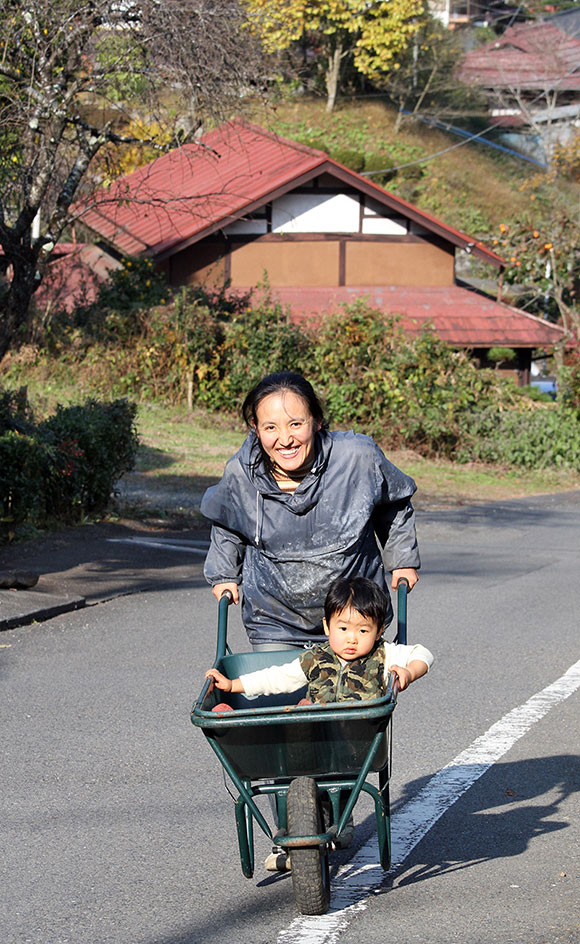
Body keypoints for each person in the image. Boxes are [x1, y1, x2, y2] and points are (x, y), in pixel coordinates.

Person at [201, 372, 420, 651]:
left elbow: (394, 504)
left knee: (351, 694)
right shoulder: (241, 475)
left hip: (354, 618)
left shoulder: (357, 459)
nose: (285, 439)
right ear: (255, 428)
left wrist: (402, 560)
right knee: (279, 691)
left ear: (316, 421)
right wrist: (223, 576)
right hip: (275, 620)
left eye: (295, 424)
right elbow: (228, 525)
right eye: (271, 428)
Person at [205, 576, 434, 703]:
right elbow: (279, 677)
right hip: (318, 737)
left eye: (363, 631)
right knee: (300, 712)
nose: (352, 639)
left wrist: (409, 672)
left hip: (360, 736)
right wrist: (233, 685)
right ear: (327, 626)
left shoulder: (383, 654)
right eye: (343, 628)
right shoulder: (316, 658)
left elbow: (422, 654)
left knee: (305, 710)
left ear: (379, 631)